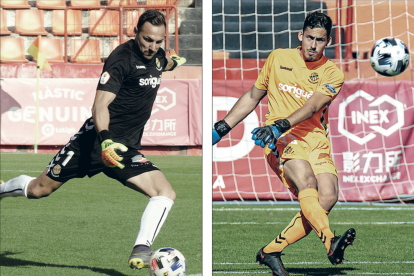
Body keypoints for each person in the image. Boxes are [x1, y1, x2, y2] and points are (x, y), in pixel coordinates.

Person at [0, 9, 186, 271]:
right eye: (147, 40)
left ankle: (142, 248)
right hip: (94, 142)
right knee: (39, 189)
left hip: (124, 148)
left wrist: (173, 63)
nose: (152, 46)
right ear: (135, 33)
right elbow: (100, 105)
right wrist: (106, 140)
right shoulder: (120, 59)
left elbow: (161, 64)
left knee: (165, 192)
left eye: (158, 41)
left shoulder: (159, 55)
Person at [213, 11, 355, 276]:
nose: (313, 45)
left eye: (320, 40)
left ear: (328, 42)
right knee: (307, 182)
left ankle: (269, 252)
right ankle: (330, 241)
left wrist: (281, 123)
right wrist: (222, 127)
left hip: (314, 139)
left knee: (328, 196)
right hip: (280, 139)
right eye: (310, 37)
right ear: (300, 35)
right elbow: (254, 95)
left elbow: (313, 106)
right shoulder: (278, 57)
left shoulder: (333, 73)